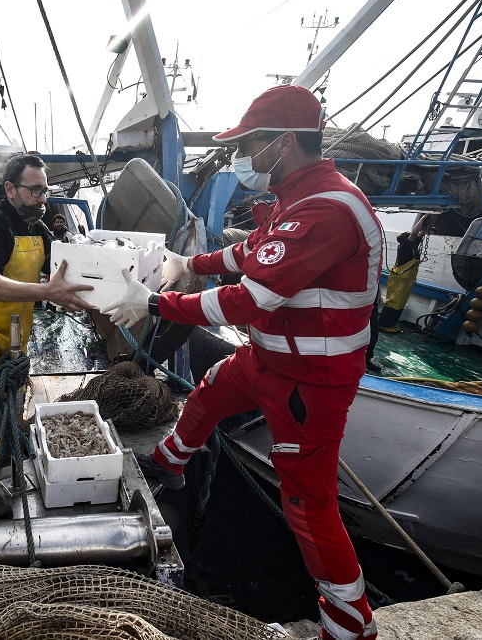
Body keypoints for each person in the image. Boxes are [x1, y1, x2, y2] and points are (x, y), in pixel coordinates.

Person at [102, 85, 383, 640]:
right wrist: (188, 262)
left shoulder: (327, 210)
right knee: (209, 392)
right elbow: (250, 251)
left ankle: (350, 625)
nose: (242, 157)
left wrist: (155, 302)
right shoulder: (297, 200)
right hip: (269, 357)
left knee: (308, 502)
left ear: (282, 143)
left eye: (250, 143)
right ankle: (170, 462)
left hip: (312, 384)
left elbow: (251, 297)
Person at [0, 154, 93, 520]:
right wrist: (46, 294)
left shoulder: (38, 231)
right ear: (10, 189)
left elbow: (59, 275)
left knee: (12, 395)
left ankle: (6, 454)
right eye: (34, 190)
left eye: (45, 191)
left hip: (12, 331)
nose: (42, 198)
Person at [377, 214, 434, 333]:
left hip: (406, 280)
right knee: (393, 302)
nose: (414, 237)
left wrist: (426, 226)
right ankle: (383, 324)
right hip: (399, 280)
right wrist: (423, 218)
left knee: (400, 303)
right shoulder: (405, 247)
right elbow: (414, 234)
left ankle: (390, 324)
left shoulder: (413, 246)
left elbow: (420, 234)